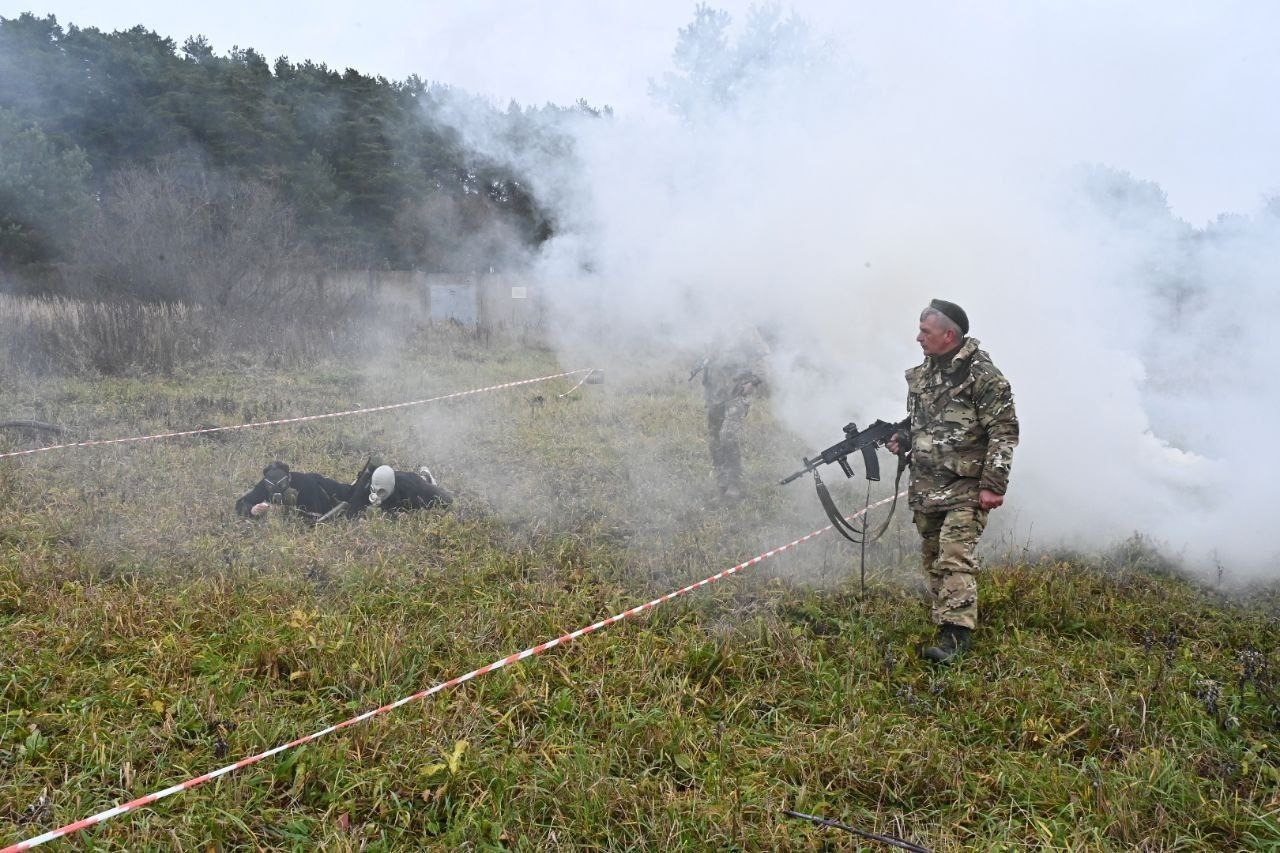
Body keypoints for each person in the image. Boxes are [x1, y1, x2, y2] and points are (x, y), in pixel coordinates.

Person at [886, 300, 1019, 665]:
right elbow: (924, 421)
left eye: (924, 331)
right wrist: (904, 436)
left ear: (949, 335)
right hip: (928, 485)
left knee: (954, 555)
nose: (918, 338)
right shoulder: (927, 371)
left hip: (966, 485)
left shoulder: (984, 376)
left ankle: (956, 638)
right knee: (933, 556)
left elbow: (1003, 431)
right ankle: (946, 615)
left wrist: (994, 484)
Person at [697, 324, 770, 501]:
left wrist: (754, 381)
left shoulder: (744, 328)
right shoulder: (713, 326)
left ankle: (734, 484)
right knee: (715, 439)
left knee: (727, 435)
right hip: (715, 393)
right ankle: (722, 484)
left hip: (737, 391)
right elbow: (709, 356)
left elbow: (762, 356)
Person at [234, 461, 353, 520]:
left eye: (282, 484)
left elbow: (316, 517)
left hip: (326, 488)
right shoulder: (264, 486)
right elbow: (240, 504)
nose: (276, 489)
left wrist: (281, 511)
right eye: (270, 486)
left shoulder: (305, 484)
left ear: (289, 478)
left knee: (352, 494)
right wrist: (252, 510)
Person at [348, 460, 453, 515]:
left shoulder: (411, 489)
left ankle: (426, 476)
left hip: (414, 481)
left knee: (427, 488)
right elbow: (352, 510)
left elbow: (447, 500)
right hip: (393, 478)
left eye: (381, 492)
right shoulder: (366, 485)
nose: (376, 496)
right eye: (373, 490)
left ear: (391, 487)